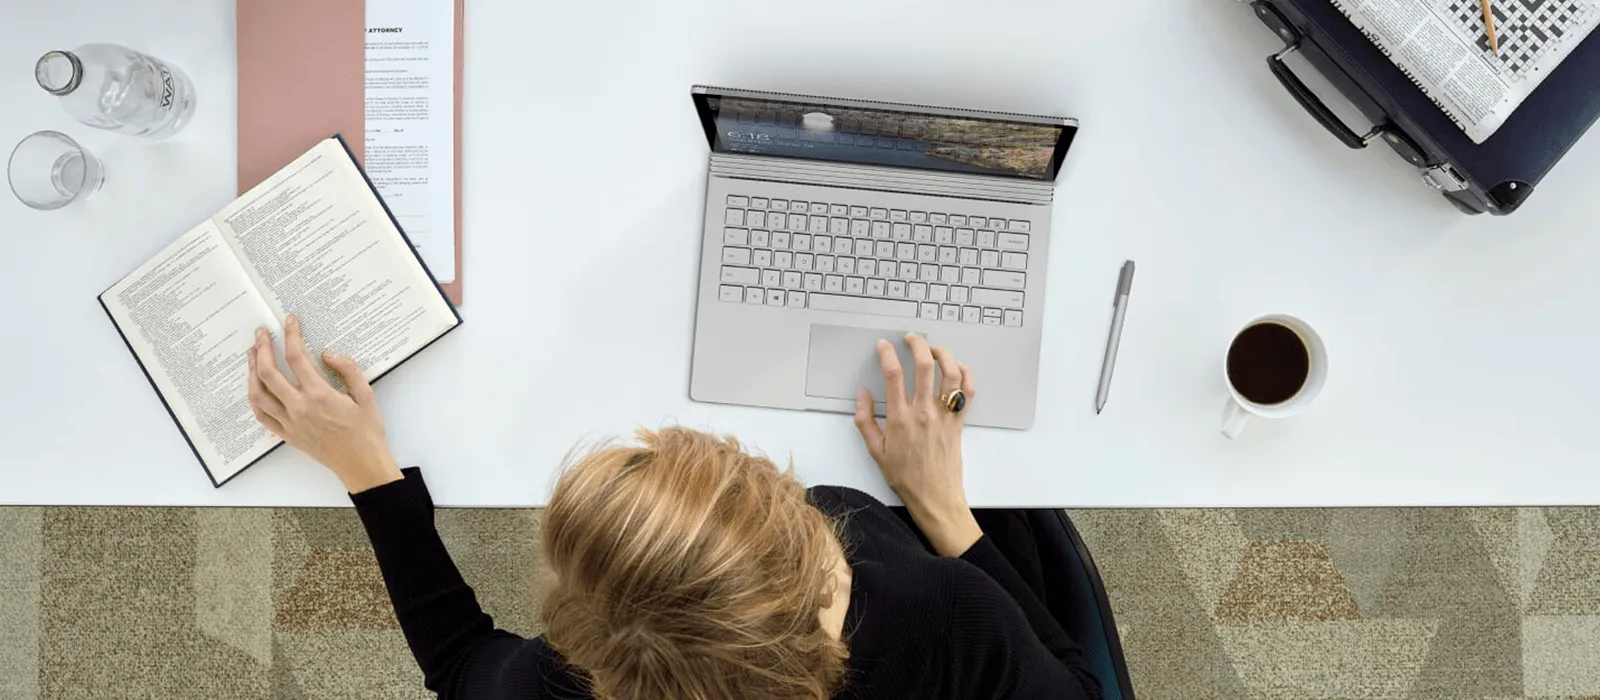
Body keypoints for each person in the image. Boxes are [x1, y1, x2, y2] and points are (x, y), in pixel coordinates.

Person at [247, 316, 1102, 700]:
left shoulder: (589, 681)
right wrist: (944, 510)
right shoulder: (941, 620)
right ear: (820, 579)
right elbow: (1082, 689)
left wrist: (371, 476)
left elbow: (463, 668)